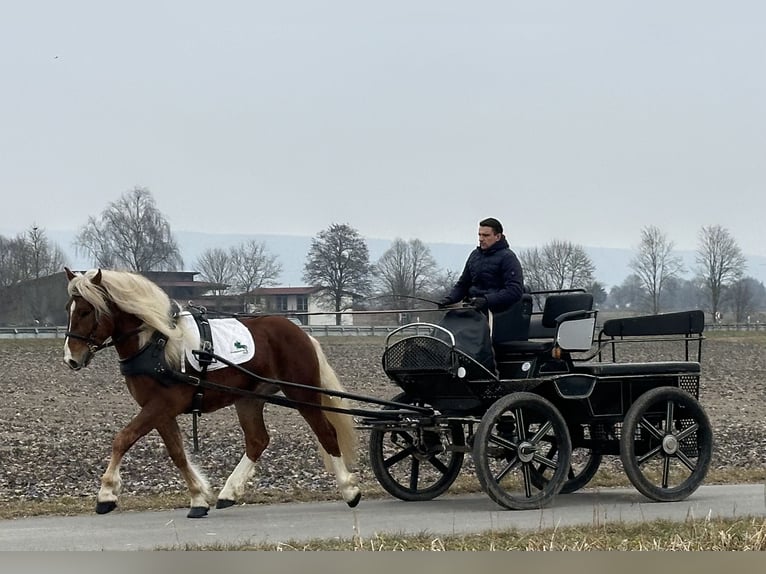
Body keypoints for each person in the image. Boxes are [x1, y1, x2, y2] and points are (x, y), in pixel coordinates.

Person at [438, 217, 524, 314]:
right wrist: (450, 299)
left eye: (486, 235)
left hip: (496, 312)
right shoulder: (474, 256)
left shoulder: (508, 258)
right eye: (479, 235)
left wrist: (487, 300)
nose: (481, 239)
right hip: (473, 309)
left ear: (498, 237)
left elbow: (514, 291)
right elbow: (463, 284)